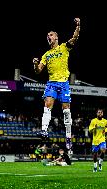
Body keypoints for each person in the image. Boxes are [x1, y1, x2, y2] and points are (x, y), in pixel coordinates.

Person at [33, 18, 81, 154]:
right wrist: (35, 64)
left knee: (66, 110)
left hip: (64, 83)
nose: (49, 37)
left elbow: (75, 38)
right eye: (47, 36)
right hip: (52, 83)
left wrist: (78, 25)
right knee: (47, 104)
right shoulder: (46, 55)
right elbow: (38, 71)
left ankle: (68, 137)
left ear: (56, 37)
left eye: (51, 35)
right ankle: (44, 130)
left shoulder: (64, 47)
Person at [89, 108, 107, 172]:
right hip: (95, 140)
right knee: (95, 154)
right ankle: (95, 166)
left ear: (102, 114)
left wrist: (105, 130)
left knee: (103, 150)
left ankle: (100, 161)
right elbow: (90, 130)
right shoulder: (93, 121)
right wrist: (94, 128)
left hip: (102, 139)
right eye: (99, 112)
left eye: (101, 112)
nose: (100, 113)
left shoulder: (105, 121)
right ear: (96, 113)